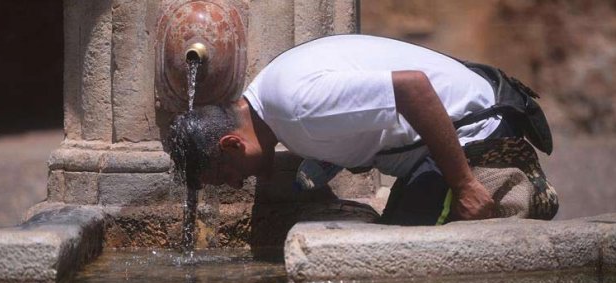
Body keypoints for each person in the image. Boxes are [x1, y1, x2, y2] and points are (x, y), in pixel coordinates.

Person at [168, 34, 558, 225]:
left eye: (224, 176)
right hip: (438, 138)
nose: (235, 186)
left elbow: (414, 89)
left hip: (478, 131)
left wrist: (466, 186)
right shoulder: (270, 97)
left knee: (405, 257)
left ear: (232, 143)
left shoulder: (298, 109)